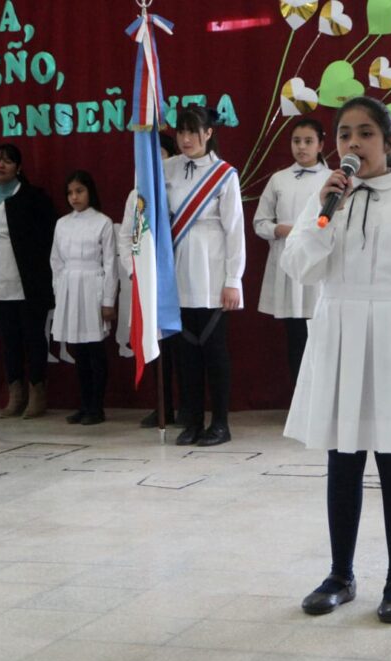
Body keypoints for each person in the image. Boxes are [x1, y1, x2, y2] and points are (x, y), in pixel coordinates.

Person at [281, 96, 391, 624]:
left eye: (365, 134)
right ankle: (340, 573)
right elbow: (299, 268)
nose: (352, 144)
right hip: (339, 334)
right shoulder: (326, 194)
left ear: (388, 141)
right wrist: (322, 217)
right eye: (344, 135)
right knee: (343, 458)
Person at [164, 106, 245, 447]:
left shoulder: (224, 174)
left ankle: (221, 423)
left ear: (209, 133)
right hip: (178, 271)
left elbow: (235, 231)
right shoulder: (167, 170)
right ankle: (193, 420)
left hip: (212, 269)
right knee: (186, 355)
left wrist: (233, 279)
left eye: (193, 132)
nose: (185, 139)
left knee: (214, 351)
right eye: (181, 132)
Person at [254, 117, 329, 386]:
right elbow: (260, 222)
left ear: (321, 144)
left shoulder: (332, 179)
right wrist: (283, 231)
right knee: (296, 338)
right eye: (297, 141)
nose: (302, 147)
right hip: (288, 264)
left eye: (308, 141)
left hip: (320, 265)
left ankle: (323, 403)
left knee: (323, 336)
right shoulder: (279, 179)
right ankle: (300, 405)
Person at [120, 132, 187, 428]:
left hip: (179, 279)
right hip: (149, 281)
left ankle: (188, 406)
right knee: (158, 345)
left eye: (162, 155)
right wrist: (135, 269)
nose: (156, 162)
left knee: (183, 346)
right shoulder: (138, 196)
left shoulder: (181, 191)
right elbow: (128, 237)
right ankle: (163, 406)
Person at [0, 143, 57, 420]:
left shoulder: (33, 197)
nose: (0, 165)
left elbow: (47, 238)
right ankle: (15, 395)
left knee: (33, 338)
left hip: (29, 282)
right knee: (9, 341)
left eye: (7, 161)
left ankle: (38, 393)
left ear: (19, 167)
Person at [50, 170, 116, 425]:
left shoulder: (103, 222)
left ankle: (97, 407)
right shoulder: (62, 223)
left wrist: (108, 301)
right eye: (70, 193)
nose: (74, 197)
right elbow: (56, 260)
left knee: (94, 350)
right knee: (78, 350)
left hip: (92, 287)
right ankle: (84, 403)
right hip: (69, 287)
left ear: (90, 192)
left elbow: (110, 264)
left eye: (80, 191)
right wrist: (60, 291)